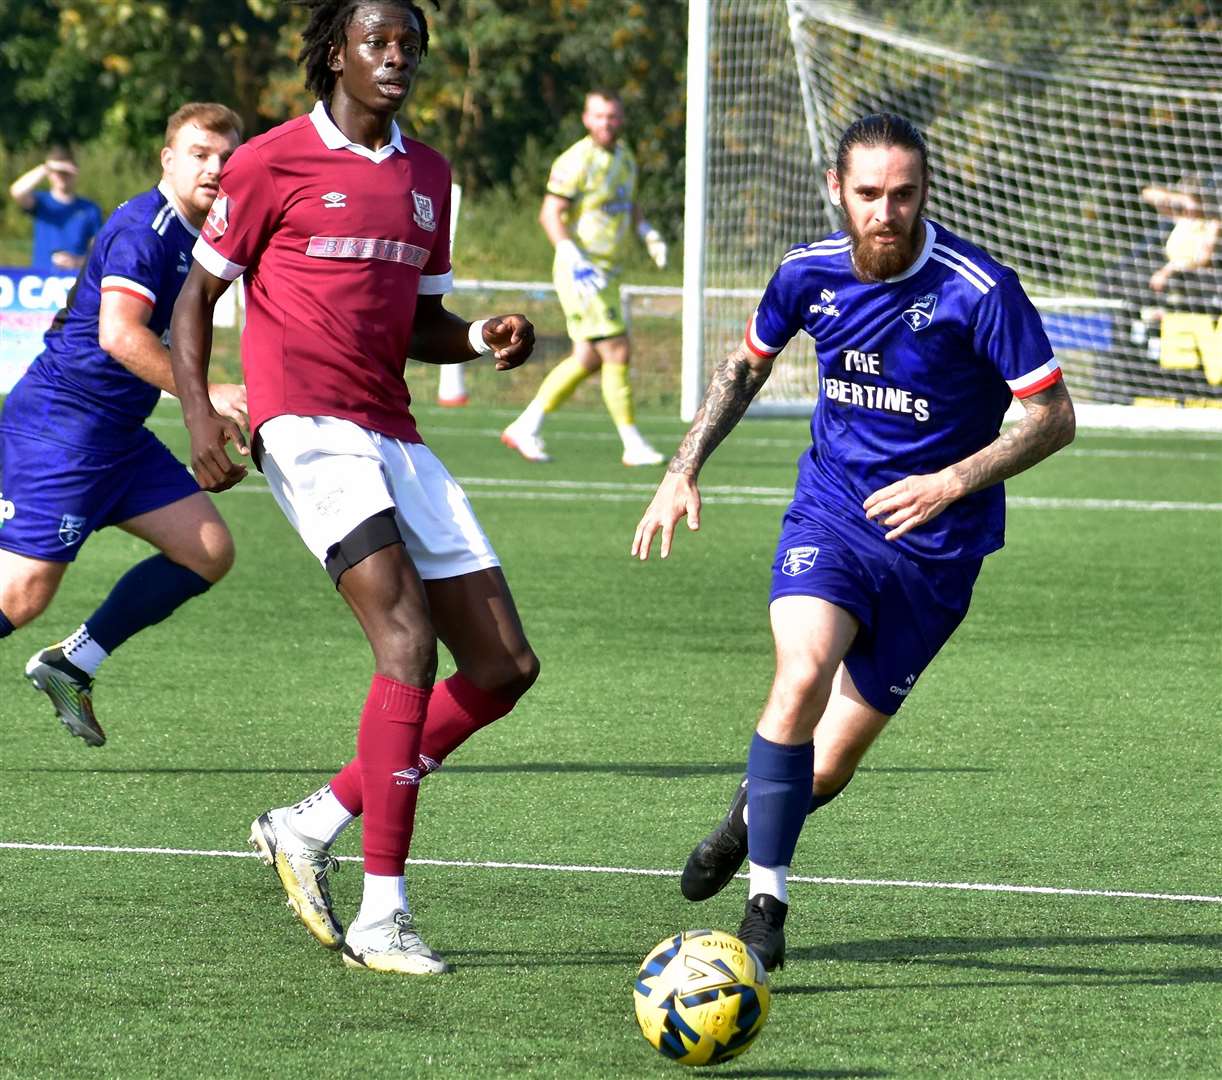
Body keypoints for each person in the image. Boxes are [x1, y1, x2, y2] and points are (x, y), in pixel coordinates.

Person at [632, 113, 1076, 971]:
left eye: (903, 194)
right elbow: (747, 366)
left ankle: (744, 820)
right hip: (832, 516)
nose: (886, 211)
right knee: (801, 671)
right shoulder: (806, 274)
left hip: (938, 554)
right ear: (838, 191)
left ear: (925, 193)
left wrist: (951, 482)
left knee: (825, 770)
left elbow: (1052, 417)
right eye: (868, 193)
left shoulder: (979, 290)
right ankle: (768, 904)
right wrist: (683, 467)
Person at [170, 0, 540, 978]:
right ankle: (384, 916)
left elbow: (423, 323)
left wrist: (477, 338)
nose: (396, 60)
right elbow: (197, 296)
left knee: (504, 666)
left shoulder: (428, 175)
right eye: (378, 42)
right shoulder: (270, 161)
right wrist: (203, 417)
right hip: (303, 421)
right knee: (407, 642)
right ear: (337, 52)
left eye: (409, 46)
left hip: (391, 428)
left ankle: (312, 823)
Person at [0, 103, 245, 748]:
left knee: (207, 550)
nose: (215, 168)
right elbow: (119, 336)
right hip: (63, 429)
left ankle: (72, 662)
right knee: (20, 598)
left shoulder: (207, 236)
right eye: (199, 153)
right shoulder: (146, 228)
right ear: (168, 159)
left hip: (117, 437)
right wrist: (207, 397)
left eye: (226, 156)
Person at [501, 89, 669, 466]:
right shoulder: (575, 160)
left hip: (606, 271)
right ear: (585, 119)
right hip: (582, 273)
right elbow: (550, 213)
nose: (605, 123)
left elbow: (630, 204)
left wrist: (648, 233)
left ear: (620, 120)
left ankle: (526, 426)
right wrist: (569, 252)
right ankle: (632, 443)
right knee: (616, 348)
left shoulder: (625, 158)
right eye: (598, 116)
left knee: (589, 357)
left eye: (611, 116)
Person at [8, 145, 104, 270]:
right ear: (50, 174)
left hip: (75, 280)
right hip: (42, 280)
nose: (62, 177)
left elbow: (99, 252)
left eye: (66, 173)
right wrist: (47, 167)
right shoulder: (42, 202)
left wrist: (76, 262)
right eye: (58, 173)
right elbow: (17, 191)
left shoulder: (89, 209)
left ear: (75, 174)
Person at [1140, 177, 1219, 303]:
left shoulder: (1213, 225)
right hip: (1175, 279)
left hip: (1200, 281)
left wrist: (1167, 271)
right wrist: (1179, 198)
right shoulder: (1182, 220)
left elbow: (1201, 259)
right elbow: (1148, 194)